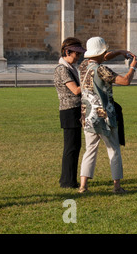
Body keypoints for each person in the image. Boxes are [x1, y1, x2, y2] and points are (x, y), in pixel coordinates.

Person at [78, 37, 137, 193]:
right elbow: (125, 81)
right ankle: (117, 186)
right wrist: (133, 68)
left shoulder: (83, 66)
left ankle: (83, 185)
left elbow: (102, 57)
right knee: (113, 149)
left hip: (88, 116)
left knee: (90, 150)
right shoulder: (102, 70)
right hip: (104, 116)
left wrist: (119, 52)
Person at [54, 37, 86, 188]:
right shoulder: (62, 69)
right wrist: (90, 81)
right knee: (71, 147)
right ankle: (67, 181)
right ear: (67, 52)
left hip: (73, 110)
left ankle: (69, 179)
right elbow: (75, 90)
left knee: (75, 146)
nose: (78, 57)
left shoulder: (69, 68)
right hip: (69, 111)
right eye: (76, 53)